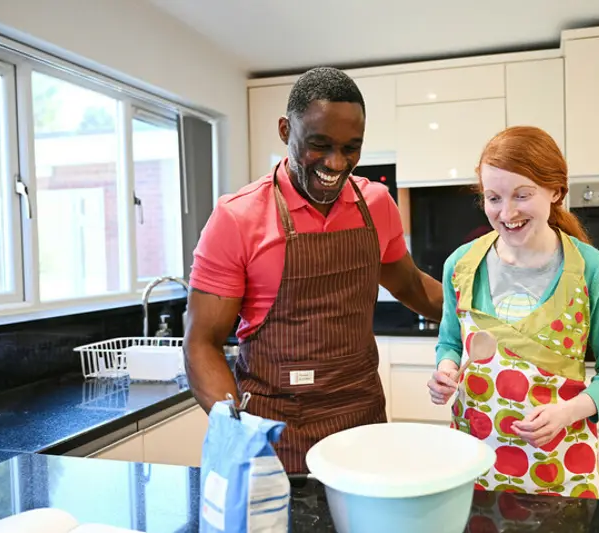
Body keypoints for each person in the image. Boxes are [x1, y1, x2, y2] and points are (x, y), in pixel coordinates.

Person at [184, 66, 442, 474]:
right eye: (319, 144)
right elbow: (201, 342)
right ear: (285, 130)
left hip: (362, 422)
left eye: (351, 148)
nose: (336, 163)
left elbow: (410, 285)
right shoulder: (236, 218)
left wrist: (485, 321)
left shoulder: (376, 205)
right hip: (274, 431)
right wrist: (235, 428)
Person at [427, 126, 599, 498]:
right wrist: (445, 370)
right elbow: (450, 343)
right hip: (473, 466)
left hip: (559, 470)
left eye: (522, 195)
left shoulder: (590, 270)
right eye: (493, 198)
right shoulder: (461, 265)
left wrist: (567, 413)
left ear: (555, 191)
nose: (506, 213)